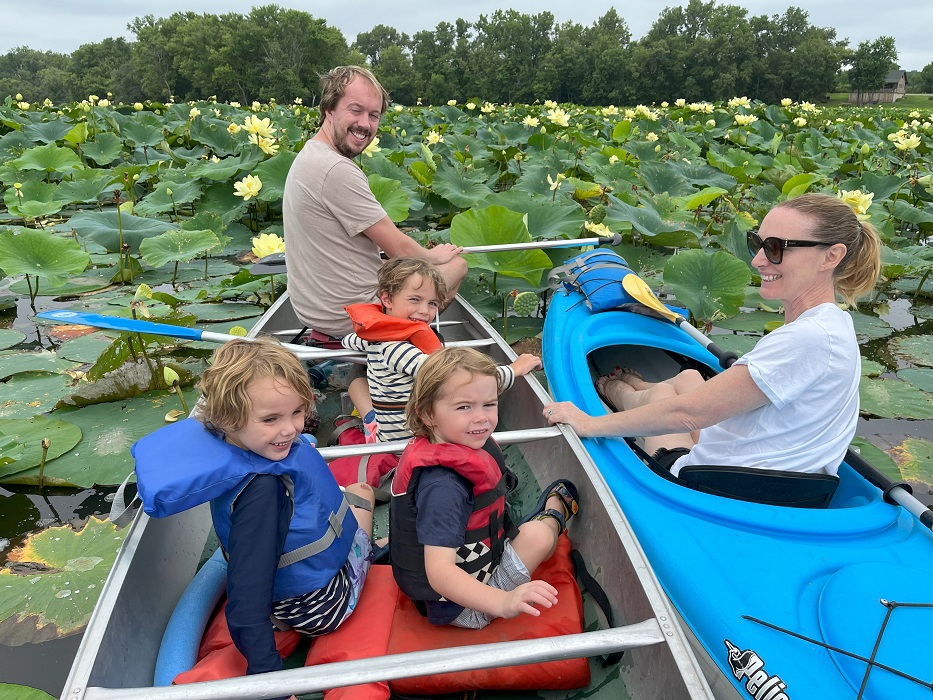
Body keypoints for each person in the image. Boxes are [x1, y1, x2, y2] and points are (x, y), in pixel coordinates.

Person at [543, 192, 881, 478]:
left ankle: (611, 388)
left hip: (718, 480)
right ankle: (632, 387)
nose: (758, 261)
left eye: (777, 248)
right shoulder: (833, 323)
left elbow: (686, 415)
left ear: (832, 256)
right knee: (690, 375)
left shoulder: (807, 339)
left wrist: (587, 424)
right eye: (758, 244)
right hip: (759, 461)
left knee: (667, 403)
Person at [132, 338, 376, 680]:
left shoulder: (235, 445)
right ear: (227, 419)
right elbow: (246, 608)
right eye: (271, 419)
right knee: (361, 494)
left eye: (296, 412)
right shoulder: (264, 492)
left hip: (292, 595)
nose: (291, 429)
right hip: (319, 608)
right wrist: (270, 680)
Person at [390, 347, 579, 629]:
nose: (481, 417)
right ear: (428, 414)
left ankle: (537, 520)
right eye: (464, 407)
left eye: (489, 404)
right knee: (540, 535)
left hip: (474, 563)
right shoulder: (443, 488)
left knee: (524, 530)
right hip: (461, 607)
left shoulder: (457, 441)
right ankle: (552, 516)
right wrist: (503, 602)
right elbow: (440, 573)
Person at [283, 65, 468, 347]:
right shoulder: (335, 169)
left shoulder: (309, 154)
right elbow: (401, 249)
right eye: (355, 110)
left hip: (315, 311)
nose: (365, 124)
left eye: (373, 115)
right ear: (329, 109)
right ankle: (402, 339)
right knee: (457, 265)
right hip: (351, 316)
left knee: (398, 267)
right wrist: (434, 256)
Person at [341, 258, 542, 443]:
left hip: (388, 430)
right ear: (387, 299)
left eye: (432, 303)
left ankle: (370, 423)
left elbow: (348, 341)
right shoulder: (397, 350)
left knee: (356, 378)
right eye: (414, 299)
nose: (424, 311)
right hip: (410, 441)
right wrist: (513, 370)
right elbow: (459, 378)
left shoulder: (375, 336)